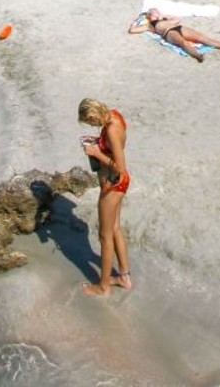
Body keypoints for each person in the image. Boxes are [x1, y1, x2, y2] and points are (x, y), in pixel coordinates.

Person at [77, 98, 133, 297]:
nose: (92, 125)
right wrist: (98, 143)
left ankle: (103, 287)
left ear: (94, 116)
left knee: (105, 236)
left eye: (90, 122)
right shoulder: (114, 115)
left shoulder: (110, 130)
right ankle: (124, 278)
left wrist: (95, 152)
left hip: (114, 185)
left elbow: (120, 167)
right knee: (115, 229)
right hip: (119, 183)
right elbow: (115, 147)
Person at [128, 8, 220, 61]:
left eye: (157, 11)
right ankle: (197, 55)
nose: (156, 13)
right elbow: (132, 30)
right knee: (183, 43)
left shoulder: (165, 19)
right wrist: (134, 22)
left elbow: (177, 20)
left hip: (179, 28)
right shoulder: (149, 25)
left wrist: (166, 16)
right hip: (168, 33)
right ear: (149, 16)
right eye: (153, 13)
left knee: (202, 38)